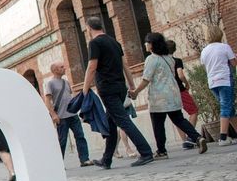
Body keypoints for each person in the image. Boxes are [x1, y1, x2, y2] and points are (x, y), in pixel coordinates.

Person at [81, 16, 154, 168]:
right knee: (110, 123)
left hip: (107, 88)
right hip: (120, 87)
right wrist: (132, 85)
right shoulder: (114, 42)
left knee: (123, 121)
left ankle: (146, 152)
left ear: (88, 28)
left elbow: (92, 66)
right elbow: (124, 65)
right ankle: (106, 159)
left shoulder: (94, 43)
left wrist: (85, 88)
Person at [129, 33, 207, 157]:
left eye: (147, 42)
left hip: (159, 97)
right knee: (179, 120)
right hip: (173, 94)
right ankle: (197, 137)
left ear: (151, 44)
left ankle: (161, 151)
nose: (145, 44)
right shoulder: (169, 58)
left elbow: (146, 79)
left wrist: (136, 92)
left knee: (158, 124)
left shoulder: (151, 59)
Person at [44, 62, 92, 166]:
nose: (64, 68)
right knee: (62, 141)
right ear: (55, 70)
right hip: (61, 117)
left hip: (72, 115)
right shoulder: (50, 83)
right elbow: (47, 100)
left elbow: (69, 97)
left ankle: (85, 159)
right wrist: (53, 115)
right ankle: (59, 164)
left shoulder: (66, 82)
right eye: (61, 67)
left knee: (80, 136)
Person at [199, 25, 237, 146]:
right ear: (219, 34)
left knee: (229, 109)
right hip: (225, 80)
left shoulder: (204, 51)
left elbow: (205, 68)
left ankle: (235, 135)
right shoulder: (224, 47)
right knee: (226, 108)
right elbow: (233, 63)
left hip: (212, 83)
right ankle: (223, 138)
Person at [166, 40, 200, 149]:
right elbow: (180, 75)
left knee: (177, 117)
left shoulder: (163, 62)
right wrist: (187, 83)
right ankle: (191, 137)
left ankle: (184, 141)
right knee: (193, 110)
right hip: (180, 90)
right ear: (174, 49)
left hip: (169, 92)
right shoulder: (176, 61)